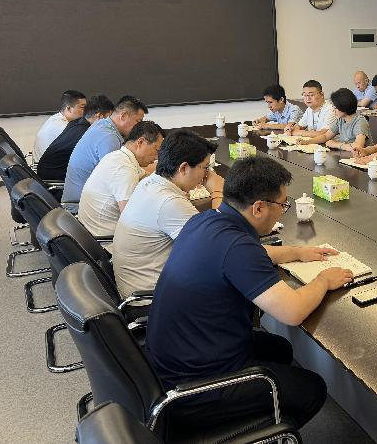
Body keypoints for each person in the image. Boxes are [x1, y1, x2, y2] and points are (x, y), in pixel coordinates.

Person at [144, 156, 352, 430]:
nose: (283, 211)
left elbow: (251, 252)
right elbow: (293, 312)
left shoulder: (205, 220)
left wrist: (297, 252)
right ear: (258, 208)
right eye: (282, 205)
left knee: (279, 349)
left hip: (171, 361)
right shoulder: (237, 246)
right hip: (194, 388)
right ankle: (258, 433)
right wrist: (323, 280)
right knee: (312, 389)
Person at [112, 130, 224, 302]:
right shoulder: (169, 202)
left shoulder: (150, 182)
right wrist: (218, 191)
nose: (206, 175)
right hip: (152, 300)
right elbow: (219, 245)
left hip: (139, 285)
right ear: (183, 168)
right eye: (205, 168)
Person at [77, 121, 164, 240]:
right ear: (140, 142)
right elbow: (132, 219)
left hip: (93, 233)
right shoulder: (123, 168)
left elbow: (147, 175)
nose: (156, 157)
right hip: (105, 241)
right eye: (156, 150)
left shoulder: (118, 156)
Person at [62, 96, 148, 209]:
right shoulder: (109, 137)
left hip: (85, 200)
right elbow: (119, 176)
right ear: (123, 116)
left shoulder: (103, 125)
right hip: (80, 206)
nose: (139, 127)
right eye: (138, 121)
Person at [37, 95, 114, 182]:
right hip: (55, 179)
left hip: (45, 174)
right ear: (99, 116)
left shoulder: (75, 123)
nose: (111, 124)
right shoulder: (87, 133)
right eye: (109, 119)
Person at [297, 88, 372, 151]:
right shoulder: (341, 120)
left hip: (363, 159)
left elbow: (358, 146)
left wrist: (335, 144)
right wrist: (307, 142)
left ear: (344, 106)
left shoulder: (360, 121)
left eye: (335, 108)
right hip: (347, 156)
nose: (333, 110)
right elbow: (326, 136)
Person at [33, 90, 86, 162]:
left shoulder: (57, 118)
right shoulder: (60, 126)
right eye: (82, 107)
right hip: (48, 167)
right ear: (69, 108)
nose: (86, 111)